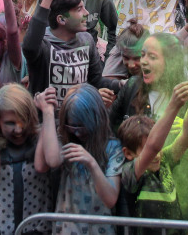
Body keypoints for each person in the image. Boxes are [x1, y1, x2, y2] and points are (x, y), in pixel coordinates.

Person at [38, 83, 124, 235]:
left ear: (96, 119)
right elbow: (52, 160)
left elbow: (110, 198)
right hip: (66, 229)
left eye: (81, 127)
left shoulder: (112, 147)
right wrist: (48, 111)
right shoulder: (66, 139)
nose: (77, 133)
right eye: (72, 127)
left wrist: (91, 163)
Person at [117, 79, 188, 231]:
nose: (156, 155)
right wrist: (174, 105)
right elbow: (153, 146)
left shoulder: (164, 160)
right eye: (148, 152)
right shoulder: (131, 174)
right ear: (129, 154)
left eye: (159, 149)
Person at [22, 0, 113, 109]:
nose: (87, 13)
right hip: (47, 125)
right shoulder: (45, 46)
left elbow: (96, 81)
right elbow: (29, 46)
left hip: (79, 122)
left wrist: (123, 85)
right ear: (61, 19)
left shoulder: (86, 41)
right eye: (79, 9)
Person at [0, 84, 52, 235]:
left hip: (35, 230)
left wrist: (47, 112)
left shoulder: (39, 137)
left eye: (23, 121)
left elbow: (43, 166)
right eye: (10, 123)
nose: (18, 130)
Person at [109, 32, 187, 132]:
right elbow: (110, 129)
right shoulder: (132, 86)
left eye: (152, 57)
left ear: (171, 63)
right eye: (142, 55)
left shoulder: (187, 96)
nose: (143, 61)